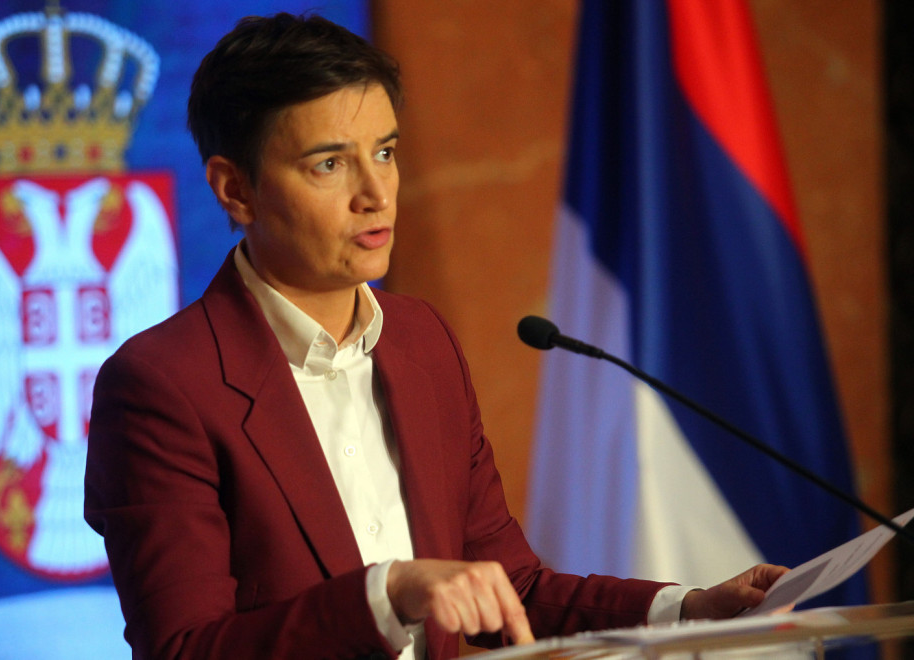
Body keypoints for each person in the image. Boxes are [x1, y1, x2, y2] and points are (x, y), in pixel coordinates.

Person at [84, 13, 787, 660]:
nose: (377, 194)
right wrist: (386, 594)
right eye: (330, 164)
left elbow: (508, 586)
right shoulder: (162, 385)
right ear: (235, 190)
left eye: (385, 152)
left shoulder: (421, 342)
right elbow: (185, 650)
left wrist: (689, 609)